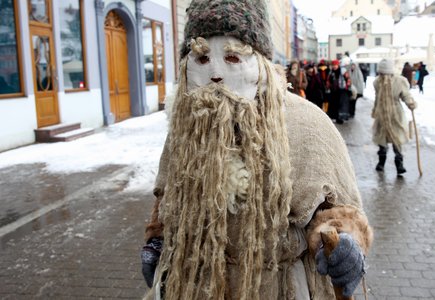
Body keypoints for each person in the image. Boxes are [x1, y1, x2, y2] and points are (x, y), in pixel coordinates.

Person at [140, 1, 373, 299]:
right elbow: (169, 196)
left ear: (260, 63)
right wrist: (157, 241)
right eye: (201, 59)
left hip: (276, 286)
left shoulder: (307, 123)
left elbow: (339, 210)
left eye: (233, 58)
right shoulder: (188, 126)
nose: (215, 73)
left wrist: (345, 241)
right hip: (195, 282)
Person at [371, 59, 417, 175]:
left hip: (396, 114)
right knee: (382, 140)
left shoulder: (400, 81)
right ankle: (381, 162)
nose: (383, 76)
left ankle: (399, 164)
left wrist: (410, 103)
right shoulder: (377, 82)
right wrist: (375, 110)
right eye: (381, 73)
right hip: (382, 115)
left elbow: (406, 95)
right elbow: (377, 97)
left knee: (397, 140)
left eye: (384, 73)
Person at [327, 59, 352, 124]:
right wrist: (328, 86)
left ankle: (340, 118)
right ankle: (334, 117)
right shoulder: (331, 72)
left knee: (341, 105)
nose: (334, 66)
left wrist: (347, 86)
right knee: (334, 105)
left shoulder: (343, 71)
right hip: (333, 91)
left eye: (335, 65)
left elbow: (348, 79)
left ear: (338, 65)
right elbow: (328, 80)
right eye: (333, 65)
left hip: (342, 91)